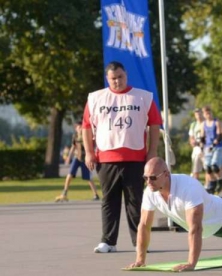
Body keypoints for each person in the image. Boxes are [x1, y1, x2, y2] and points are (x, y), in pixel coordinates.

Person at [82, 61, 162, 253]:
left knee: (135, 201)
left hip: (135, 158)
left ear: (126, 76)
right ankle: (108, 242)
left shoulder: (143, 97)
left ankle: (140, 242)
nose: (117, 81)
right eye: (113, 78)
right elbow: (86, 127)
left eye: (120, 77)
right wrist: (89, 152)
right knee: (109, 201)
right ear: (107, 78)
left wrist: (152, 152)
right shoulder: (96, 98)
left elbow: (154, 125)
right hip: (106, 158)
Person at [55, 121, 100, 202]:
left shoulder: (86, 135)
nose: (78, 129)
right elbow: (73, 146)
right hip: (76, 157)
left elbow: (92, 145)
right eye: (76, 128)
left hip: (84, 158)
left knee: (88, 178)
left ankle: (95, 194)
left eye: (79, 127)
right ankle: (64, 192)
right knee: (69, 175)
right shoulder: (75, 136)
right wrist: (69, 157)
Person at [200, 106, 222, 194]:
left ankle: (220, 181)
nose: (208, 115)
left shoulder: (217, 122)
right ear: (204, 115)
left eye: (209, 112)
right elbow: (202, 137)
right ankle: (212, 183)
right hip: (208, 147)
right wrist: (201, 146)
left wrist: (214, 143)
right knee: (207, 167)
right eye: (206, 113)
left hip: (217, 146)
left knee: (214, 165)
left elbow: (219, 136)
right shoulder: (203, 124)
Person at [188, 108, 204, 180]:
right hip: (197, 148)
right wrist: (193, 142)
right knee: (195, 167)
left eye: (200, 113)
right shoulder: (193, 125)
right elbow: (191, 137)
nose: (198, 115)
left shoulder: (205, 123)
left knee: (208, 168)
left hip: (205, 148)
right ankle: (195, 182)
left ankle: (209, 185)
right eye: (197, 114)